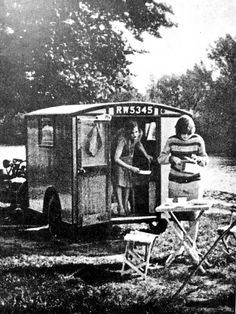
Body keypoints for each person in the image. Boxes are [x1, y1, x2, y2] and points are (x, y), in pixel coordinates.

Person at [157, 115, 208, 252]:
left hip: (194, 183)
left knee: (194, 215)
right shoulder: (171, 140)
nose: (185, 136)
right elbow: (160, 159)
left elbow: (205, 160)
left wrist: (198, 159)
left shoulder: (198, 140)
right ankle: (178, 246)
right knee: (176, 215)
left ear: (192, 131)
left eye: (188, 133)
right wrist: (171, 158)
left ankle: (191, 246)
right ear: (177, 131)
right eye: (182, 133)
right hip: (175, 183)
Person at [113, 120, 152, 216]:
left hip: (129, 163)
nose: (134, 135)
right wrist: (130, 168)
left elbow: (138, 143)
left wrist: (146, 155)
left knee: (128, 184)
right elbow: (116, 158)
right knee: (119, 184)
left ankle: (126, 204)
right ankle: (120, 206)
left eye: (136, 132)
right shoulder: (122, 140)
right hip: (121, 164)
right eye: (132, 133)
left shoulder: (137, 136)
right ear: (127, 132)